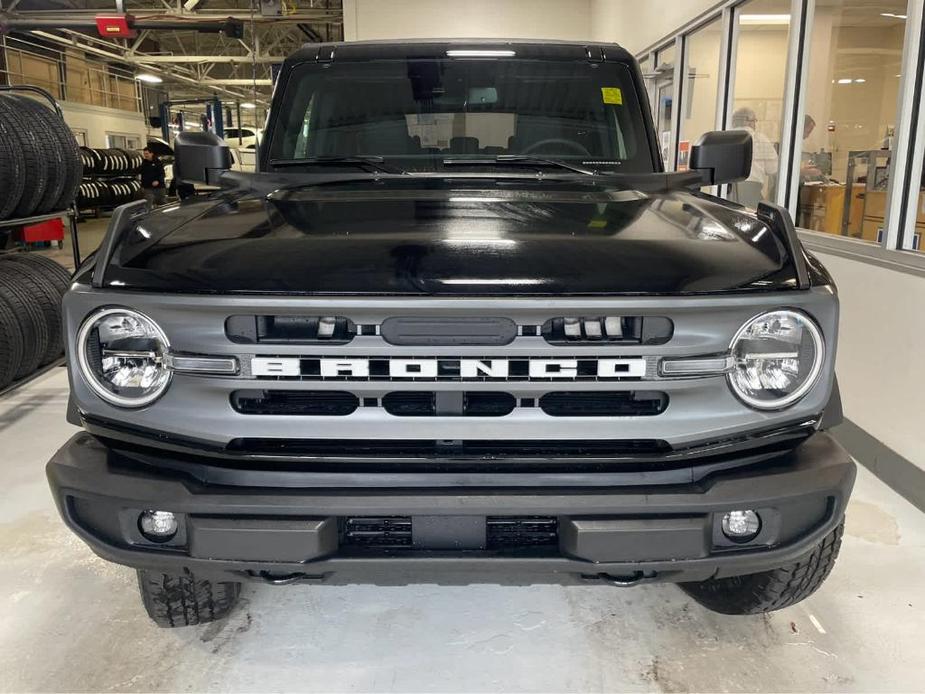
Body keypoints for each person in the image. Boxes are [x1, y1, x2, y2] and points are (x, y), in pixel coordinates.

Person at [730, 107, 779, 208]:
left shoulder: (724, 137)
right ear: (749, 122)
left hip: (727, 188)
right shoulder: (759, 138)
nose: (755, 124)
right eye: (754, 121)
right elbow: (773, 169)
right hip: (751, 188)